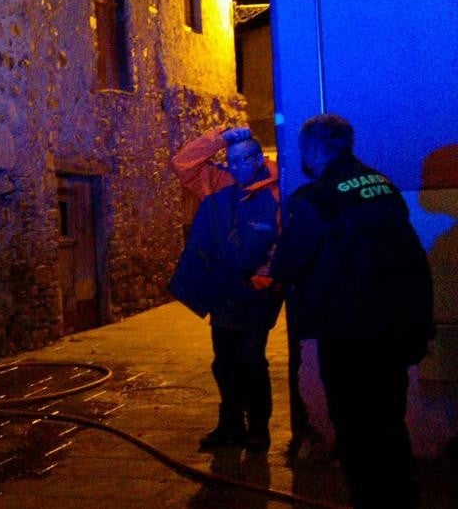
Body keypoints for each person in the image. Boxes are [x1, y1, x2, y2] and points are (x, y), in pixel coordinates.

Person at [270, 114, 434, 508]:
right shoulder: (383, 185)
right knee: (389, 419)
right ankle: (400, 496)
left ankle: (372, 498)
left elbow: (288, 264)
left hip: (349, 333)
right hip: (397, 327)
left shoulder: (316, 198)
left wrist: (275, 263)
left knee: (357, 427)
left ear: (311, 148)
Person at [168, 126, 284, 452]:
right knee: (224, 362)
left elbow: (285, 240)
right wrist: (219, 139)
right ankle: (230, 425)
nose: (236, 167)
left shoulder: (279, 191)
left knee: (251, 360)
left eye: (244, 160)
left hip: (256, 296)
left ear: (259, 158)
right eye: (231, 161)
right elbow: (183, 164)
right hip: (222, 293)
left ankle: (258, 429)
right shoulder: (219, 184)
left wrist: (269, 275)